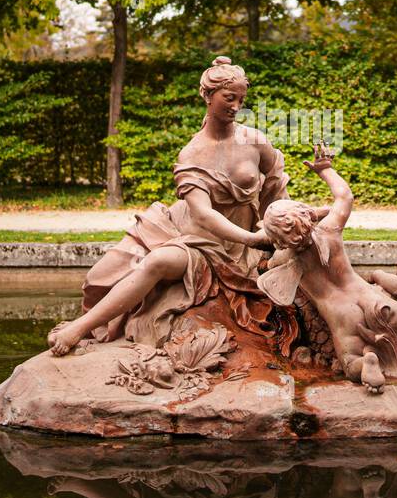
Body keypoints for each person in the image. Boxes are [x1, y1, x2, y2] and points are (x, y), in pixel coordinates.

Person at [47, 56, 290, 355]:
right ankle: (86, 326)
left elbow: (275, 186)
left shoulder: (254, 140)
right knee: (106, 274)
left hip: (232, 248)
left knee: (157, 262)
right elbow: (203, 214)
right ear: (208, 95)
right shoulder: (192, 153)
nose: (236, 107)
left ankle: (78, 328)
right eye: (229, 98)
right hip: (194, 236)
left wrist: (278, 227)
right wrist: (253, 238)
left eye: (241, 99)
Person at [256, 144, 397, 393]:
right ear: (307, 215)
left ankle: (366, 363)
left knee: (349, 361)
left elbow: (261, 255)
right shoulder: (330, 229)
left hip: (341, 317)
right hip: (368, 296)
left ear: (278, 240)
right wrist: (325, 169)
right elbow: (345, 196)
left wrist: (267, 238)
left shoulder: (285, 258)